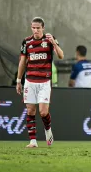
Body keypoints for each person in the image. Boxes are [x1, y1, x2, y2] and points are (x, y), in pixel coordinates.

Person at [16, 17, 64, 148]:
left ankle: (47, 129)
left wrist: (54, 43)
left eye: (38, 28)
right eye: (33, 28)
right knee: (30, 111)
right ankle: (33, 141)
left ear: (43, 28)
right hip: (30, 81)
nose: (36, 30)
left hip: (44, 81)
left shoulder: (49, 39)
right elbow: (22, 62)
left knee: (43, 112)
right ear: (31, 27)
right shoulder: (26, 42)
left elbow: (61, 55)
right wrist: (19, 80)